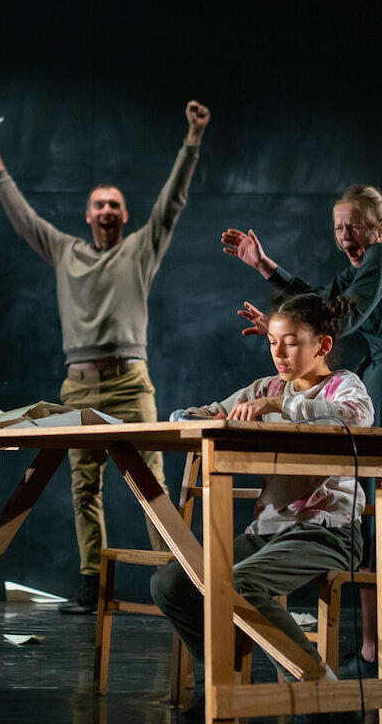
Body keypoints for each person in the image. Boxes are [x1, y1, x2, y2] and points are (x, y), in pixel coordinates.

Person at [0, 100, 210, 614]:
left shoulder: (141, 250)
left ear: (124, 216)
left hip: (131, 382)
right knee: (85, 486)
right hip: (78, 385)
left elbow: (171, 203)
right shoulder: (65, 251)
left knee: (152, 480)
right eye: (98, 204)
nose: (106, 211)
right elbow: (24, 219)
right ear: (88, 215)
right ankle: (90, 584)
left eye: (114, 205)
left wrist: (191, 139)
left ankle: (178, 583)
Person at [151, 293, 372, 723]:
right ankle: (224, 679)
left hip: (327, 531)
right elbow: (211, 412)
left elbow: (356, 417)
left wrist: (279, 405)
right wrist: (189, 417)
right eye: (273, 342)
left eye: (291, 342)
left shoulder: (344, 386)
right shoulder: (265, 387)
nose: (279, 353)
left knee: (238, 583)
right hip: (268, 531)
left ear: (322, 345)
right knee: (172, 584)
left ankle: (320, 693)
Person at [222, 185, 382, 677]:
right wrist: (278, 312)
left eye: (353, 225)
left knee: (366, 501)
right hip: (374, 375)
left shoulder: (379, 258)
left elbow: (340, 317)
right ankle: (373, 643)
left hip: (377, 383)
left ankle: (371, 646)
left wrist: (287, 328)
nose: (344, 235)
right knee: (367, 500)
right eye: (337, 227)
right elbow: (317, 305)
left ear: (377, 227)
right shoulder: (354, 270)